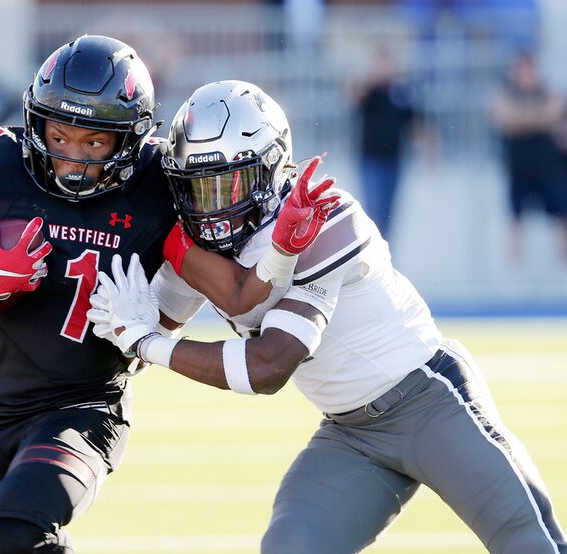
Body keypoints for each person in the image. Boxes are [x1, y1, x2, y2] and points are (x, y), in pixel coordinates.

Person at [87, 80, 567, 553]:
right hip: (352, 433)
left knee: (529, 542)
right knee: (292, 545)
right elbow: (140, 335)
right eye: (194, 188)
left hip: (430, 401)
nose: (209, 207)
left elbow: (269, 365)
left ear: (272, 167)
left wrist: (146, 342)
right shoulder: (197, 251)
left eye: (225, 184)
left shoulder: (319, 216)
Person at [0, 35, 181, 554]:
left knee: (18, 526)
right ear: (36, 122)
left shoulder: (155, 187)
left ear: (129, 140)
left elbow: (203, 277)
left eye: (95, 143)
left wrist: (158, 327)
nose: (73, 157)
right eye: (59, 134)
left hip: (85, 404)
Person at [491, 50, 567, 264]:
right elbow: (504, 117)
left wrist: (521, 119)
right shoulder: (506, 93)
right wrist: (538, 118)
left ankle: (563, 266)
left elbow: (553, 113)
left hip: (548, 167)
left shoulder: (548, 92)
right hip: (518, 168)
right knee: (515, 220)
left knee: (561, 217)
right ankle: (514, 269)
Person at [349, 44, 424, 240]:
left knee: (389, 213)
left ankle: (383, 254)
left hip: (394, 160)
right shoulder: (370, 92)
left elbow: (415, 123)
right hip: (371, 160)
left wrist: (429, 149)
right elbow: (353, 98)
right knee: (374, 211)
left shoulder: (400, 93)